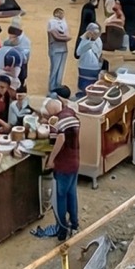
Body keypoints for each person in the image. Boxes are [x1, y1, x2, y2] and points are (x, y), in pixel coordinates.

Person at [42, 90, 81, 240]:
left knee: (60, 198)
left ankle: (62, 231)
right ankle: (75, 225)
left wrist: (51, 160)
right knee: (72, 194)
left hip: (63, 166)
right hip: (75, 162)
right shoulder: (71, 115)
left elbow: (60, 138)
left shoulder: (59, 121)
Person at [46, 7, 71, 94]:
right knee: (55, 68)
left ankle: (58, 85)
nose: (62, 14)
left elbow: (68, 36)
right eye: (60, 12)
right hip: (55, 49)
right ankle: (52, 87)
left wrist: (63, 37)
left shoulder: (64, 22)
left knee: (61, 69)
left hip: (63, 48)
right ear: (56, 13)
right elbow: (56, 36)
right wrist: (64, 37)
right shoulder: (51, 22)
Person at [76, 23, 104, 92]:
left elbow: (99, 53)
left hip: (95, 69)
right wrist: (90, 40)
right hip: (84, 68)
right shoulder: (84, 39)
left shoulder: (99, 40)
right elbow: (78, 52)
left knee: (93, 88)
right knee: (84, 88)